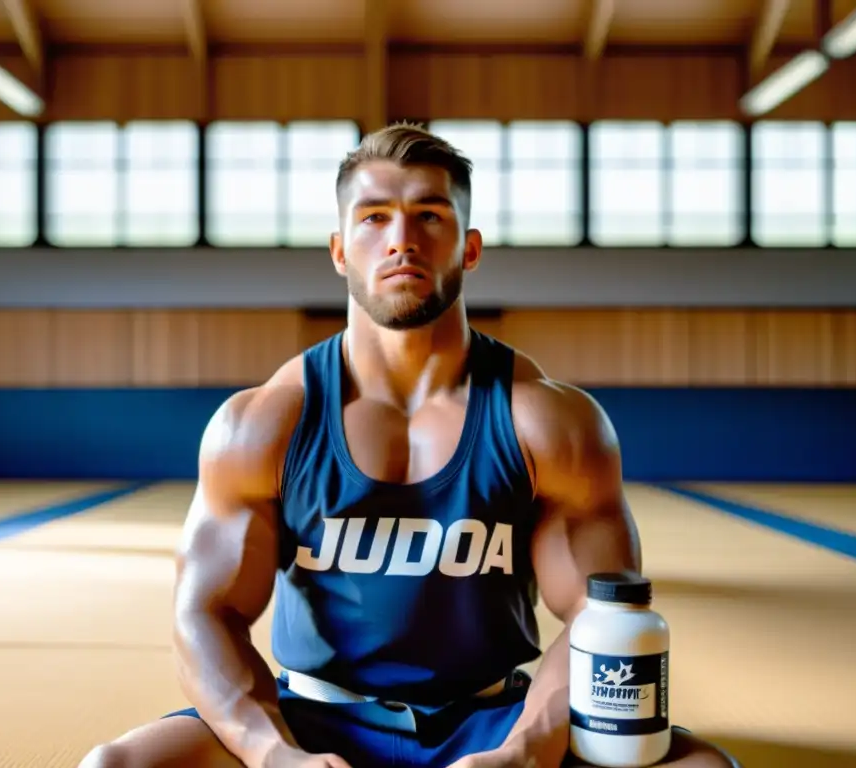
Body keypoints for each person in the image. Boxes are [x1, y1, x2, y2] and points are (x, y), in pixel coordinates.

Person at [79, 123, 739, 768]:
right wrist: (272, 754)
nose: (401, 240)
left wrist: (528, 750)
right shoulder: (263, 423)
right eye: (373, 218)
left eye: (430, 216)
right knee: (113, 765)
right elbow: (207, 613)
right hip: (312, 719)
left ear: (469, 248)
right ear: (339, 250)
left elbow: (601, 618)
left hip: (493, 717)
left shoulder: (550, 423)